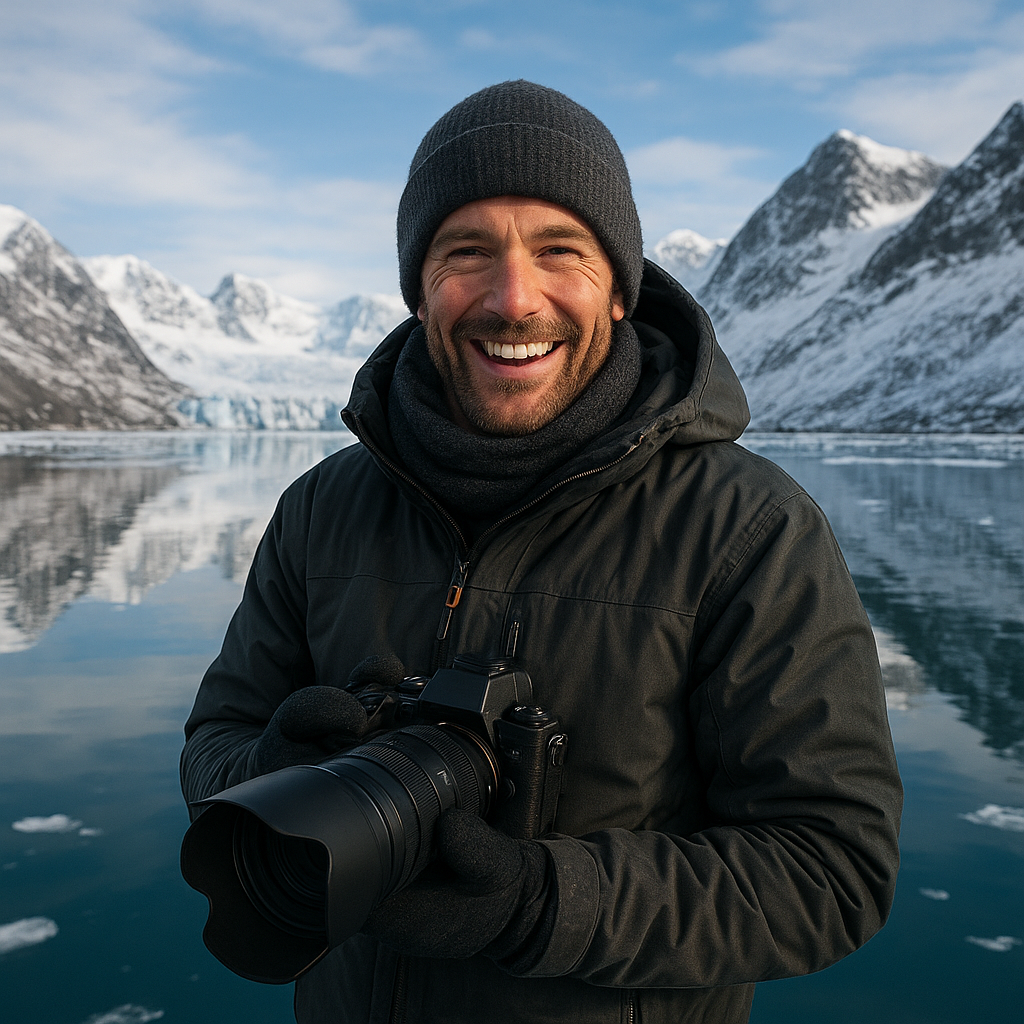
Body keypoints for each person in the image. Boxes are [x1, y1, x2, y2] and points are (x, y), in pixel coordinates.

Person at [180, 80, 902, 1024]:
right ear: (420, 286)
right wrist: (279, 780)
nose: (513, 299)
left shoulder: (748, 529)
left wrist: (541, 903)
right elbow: (213, 748)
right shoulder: (322, 509)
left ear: (618, 289)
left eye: (560, 250)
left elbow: (831, 869)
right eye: (466, 251)